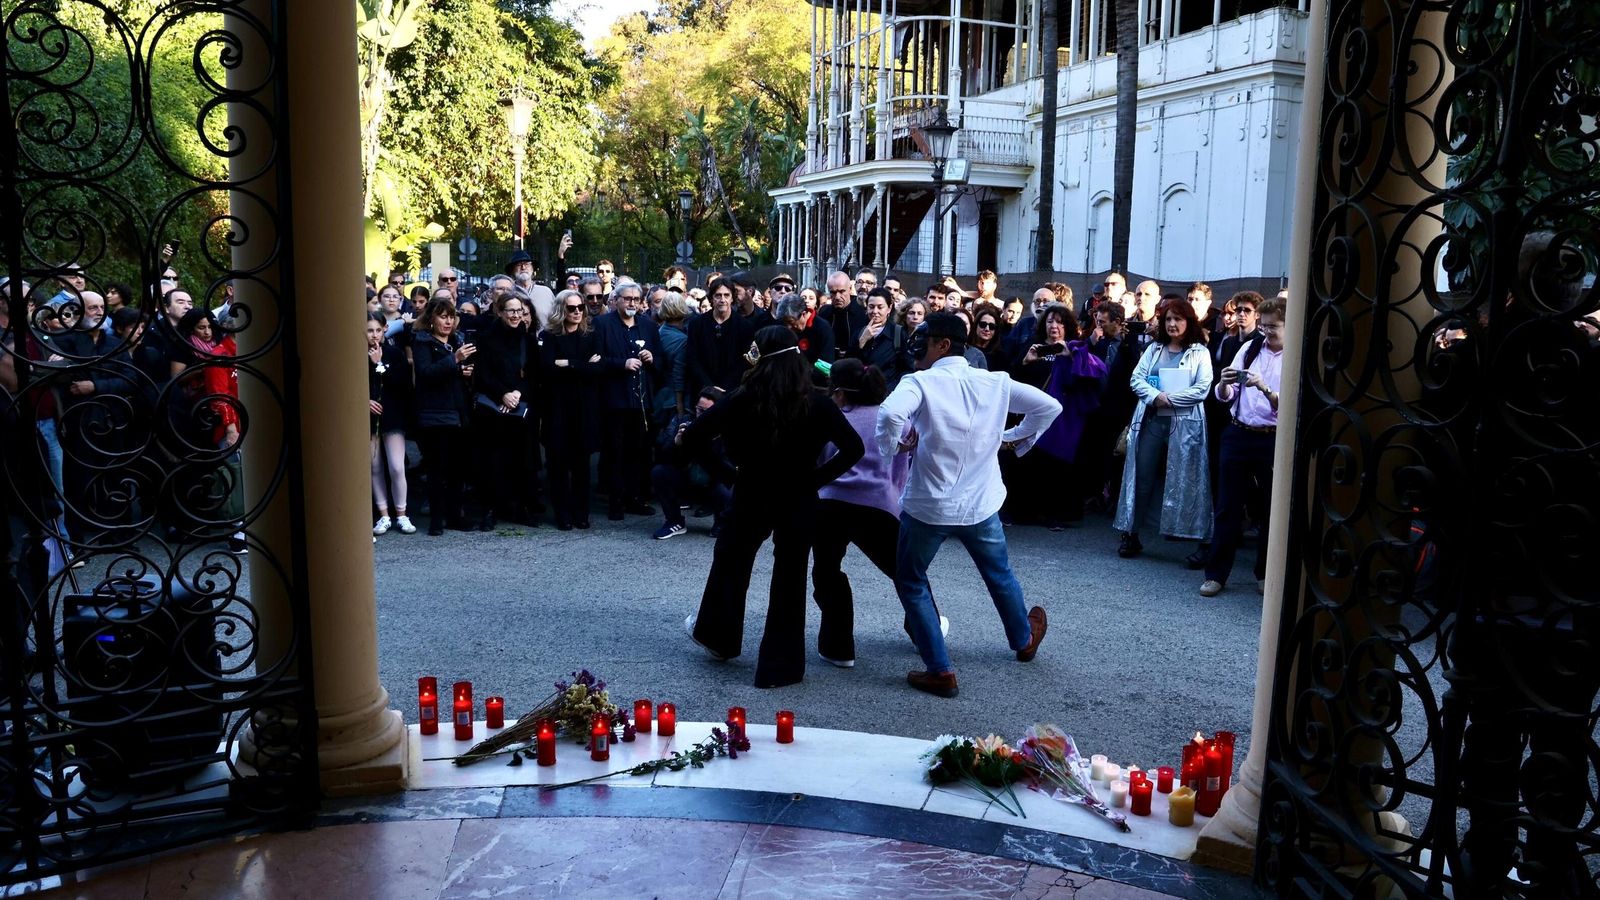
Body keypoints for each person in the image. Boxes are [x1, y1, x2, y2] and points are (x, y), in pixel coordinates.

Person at [876, 313, 1060, 698]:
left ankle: (940, 669)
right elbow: (1049, 408)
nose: (917, 347)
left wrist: (893, 446)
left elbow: (891, 413)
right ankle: (1023, 639)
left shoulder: (919, 382)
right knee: (999, 573)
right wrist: (1013, 437)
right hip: (980, 503)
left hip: (929, 505)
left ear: (943, 345)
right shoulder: (995, 382)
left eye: (924, 340)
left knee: (911, 581)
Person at [682, 326, 864, 689]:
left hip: (751, 490)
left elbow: (694, 437)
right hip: (798, 495)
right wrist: (815, 479)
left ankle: (719, 637)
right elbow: (853, 448)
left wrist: (729, 474)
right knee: (789, 579)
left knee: (732, 563)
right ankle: (780, 666)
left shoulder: (742, 398)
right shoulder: (817, 402)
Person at [811, 358, 945, 668]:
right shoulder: (897, 420)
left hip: (830, 504)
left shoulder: (834, 419)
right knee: (906, 574)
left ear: (839, 392)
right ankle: (926, 632)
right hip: (879, 506)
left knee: (827, 572)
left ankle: (837, 647)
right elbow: (902, 470)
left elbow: (818, 461)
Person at [1114, 296, 1213, 558]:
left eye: (1178, 319)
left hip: (1185, 426)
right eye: (1168, 319)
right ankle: (1131, 533)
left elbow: (1202, 388)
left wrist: (1170, 399)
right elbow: (1136, 379)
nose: (1172, 324)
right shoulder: (1154, 349)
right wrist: (1156, 397)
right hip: (1153, 421)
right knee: (1142, 476)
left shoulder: (1200, 352)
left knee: (1189, 479)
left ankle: (1200, 539)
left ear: (1188, 322)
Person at [1198, 295, 1284, 596]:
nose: (1267, 332)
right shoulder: (1250, 348)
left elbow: (1290, 406)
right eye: (1264, 326)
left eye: (1273, 327)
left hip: (1273, 437)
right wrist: (1224, 384)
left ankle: (1265, 574)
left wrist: (1264, 388)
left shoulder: (1295, 357)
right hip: (1238, 432)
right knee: (1227, 506)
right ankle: (1216, 575)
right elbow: (1227, 394)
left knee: (1271, 509)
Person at [1006, 304, 1107, 529]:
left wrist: (1070, 356)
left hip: (1064, 418)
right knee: (1028, 463)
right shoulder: (1031, 347)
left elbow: (1093, 374)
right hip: (1033, 415)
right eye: (1050, 321)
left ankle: (1055, 514)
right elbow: (1013, 380)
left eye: (1060, 322)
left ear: (1067, 326)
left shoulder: (1075, 348)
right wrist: (1026, 362)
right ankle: (1025, 511)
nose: (1054, 326)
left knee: (1057, 465)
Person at [594, 281, 664, 520]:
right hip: (614, 400)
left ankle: (635, 498)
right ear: (616, 300)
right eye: (627, 298)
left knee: (639, 452)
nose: (632, 303)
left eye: (636, 299)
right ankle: (615, 501)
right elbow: (595, 360)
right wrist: (620, 364)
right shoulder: (602, 324)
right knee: (615, 452)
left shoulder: (649, 326)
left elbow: (661, 362)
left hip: (641, 402)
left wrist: (652, 358)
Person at [472, 293, 538, 529]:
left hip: (521, 407)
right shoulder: (486, 339)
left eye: (519, 311)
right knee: (493, 461)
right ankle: (490, 510)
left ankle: (520, 508)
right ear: (499, 312)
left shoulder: (528, 340)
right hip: (493, 409)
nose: (516, 315)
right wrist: (503, 394)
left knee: (522, 460)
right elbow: (482, 374)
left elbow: (534, 374)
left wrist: (518, 393)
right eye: (511, 310)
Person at [539, 289, 603, 530]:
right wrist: (583, 366)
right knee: (558, 464)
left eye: (580, 307)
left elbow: (598, 369)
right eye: (571, 308)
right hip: (557, 409)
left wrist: (568, 364)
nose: (577, 312)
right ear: (561, 310)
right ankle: (562, 514)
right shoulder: (550, 336)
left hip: (584, 410)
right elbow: (547, 370)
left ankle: (581, 512)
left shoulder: (591, 335)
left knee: (581, 466)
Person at [412, 298, 475, 536]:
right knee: (437, 470)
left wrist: (465, 372)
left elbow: (456, 375)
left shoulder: (457, 340)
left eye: (451, 317)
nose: (448, 321)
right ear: (431, 319)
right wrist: (454, 360)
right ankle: (437, 519)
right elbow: (426, 373)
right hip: (435, 415)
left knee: (458, 469)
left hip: (459, 412)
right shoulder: (423, 342)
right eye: (442, 316)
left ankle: (455, 516)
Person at [650, 387, 731, 539]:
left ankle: (721, 521)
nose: (702, 415)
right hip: (688, 479)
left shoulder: (727, 429)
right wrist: (676, 443)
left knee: (724, 490)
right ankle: (674, 521)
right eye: (699, 409)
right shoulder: (685, 421)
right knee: (659, 472)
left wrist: (708, 443)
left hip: (715, 482)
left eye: (707, 411)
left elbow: (729, 471)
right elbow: (662, 455)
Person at [367, 313, 415, 536]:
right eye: (370, 330)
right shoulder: (356, 356)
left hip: (393, 415)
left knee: (396, 467)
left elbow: (402, 384)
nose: (374, 335)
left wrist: (379, 364)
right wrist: (365, 401)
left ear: (385, 329)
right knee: (374, 466)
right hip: (369, 418)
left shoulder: (394, 354)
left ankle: (402, 513)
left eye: (378, 330)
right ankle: (384, 514)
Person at [684, 276, 755, 396]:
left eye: (726, 295)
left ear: (732, 298)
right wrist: (709, 387)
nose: (722, 300)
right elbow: (692, 358)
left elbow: (748, 361)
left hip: (733, 391)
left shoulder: (745, 326)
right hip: (702, 390)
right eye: (718, 295)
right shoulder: (697, 324)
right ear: (711, 298)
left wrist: (725, 388)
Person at [846, 287, 908, 385]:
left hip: (888, 390)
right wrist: (862, 341)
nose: (875, 311)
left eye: (880, 307)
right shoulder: (859, 332)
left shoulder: (898, 333)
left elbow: (907, 368)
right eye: (871, 307)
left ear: (889, 308)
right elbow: (848, 365)